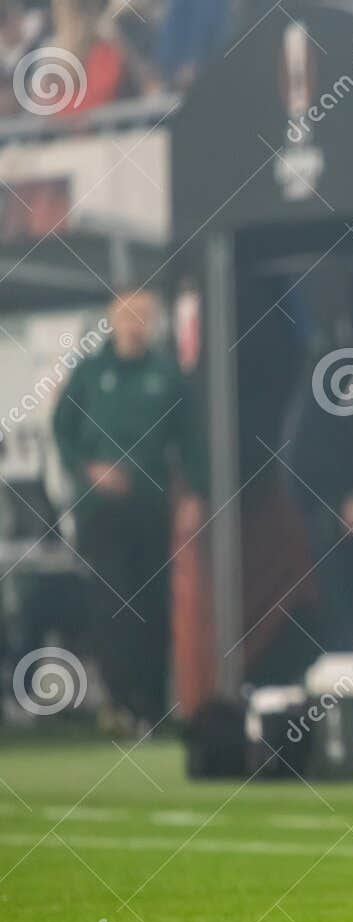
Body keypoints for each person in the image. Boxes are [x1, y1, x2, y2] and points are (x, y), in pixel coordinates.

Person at [51, 289, 183, 728]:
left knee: (154, 601)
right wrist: (88, 470)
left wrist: (195, 495)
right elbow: (62, 429)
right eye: (127, 315)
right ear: (113, 319)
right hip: (101, 511)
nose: (135, 323)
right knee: (112, 600)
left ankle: (153, 702)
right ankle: (119, 700)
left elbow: (191, 440)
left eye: (144, 315)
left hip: (151, 507)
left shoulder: (168, 374)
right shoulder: (90, 373)